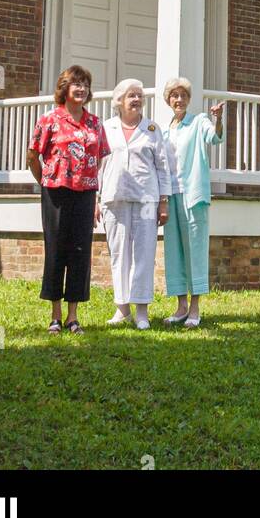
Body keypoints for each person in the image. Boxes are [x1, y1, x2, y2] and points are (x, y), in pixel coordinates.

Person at [26, 65, 110, 334]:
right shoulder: (49, 120)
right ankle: (55, 315)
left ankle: (73, 316)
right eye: (76, 83)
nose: (81, 88)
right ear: (65, 88)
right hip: (56, 193)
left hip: (85, 194)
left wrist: (88, 184)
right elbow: (32, 157)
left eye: (85, 83)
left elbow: (98, 159)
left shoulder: (95, 123)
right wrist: (47, 181)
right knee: (56, 250)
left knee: (80, 252)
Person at [99, 78, 172, 330]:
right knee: (119, 254)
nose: (137, 100)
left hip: (147, 199)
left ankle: (142, 311)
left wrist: (164, 202)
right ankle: (122, 309)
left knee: (143, 254)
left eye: (139, 95)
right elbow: (99, 166)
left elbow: (163, 167)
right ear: (119, 100)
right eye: (131, 95)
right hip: (113, 198)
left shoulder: (152, 128)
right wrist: (96, 198)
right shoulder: (106, 128)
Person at [162, 77, 224, 329]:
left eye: (183, 95)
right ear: (169, 100)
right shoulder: (164, 130)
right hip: (171, 194)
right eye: (175, 95)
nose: (179, 100)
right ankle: (180, 306)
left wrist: (217, 119)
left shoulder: (199, 122)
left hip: (193, 195)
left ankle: (195, 307)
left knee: (195, 250)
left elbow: (215, 138)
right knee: (174, 249)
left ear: (189, 99)